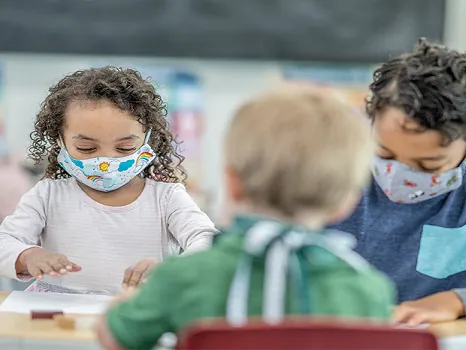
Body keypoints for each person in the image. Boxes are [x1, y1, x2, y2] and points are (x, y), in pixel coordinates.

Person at [97, 88, 395, 350]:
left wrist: (122, 308)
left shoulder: (184, 276)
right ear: (347, 202)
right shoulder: (369, 289)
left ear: (232, 182)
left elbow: (116, 338)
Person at [331, 38, 466, 325]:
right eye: (384, 153)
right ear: (370, 121)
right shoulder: (334, 181)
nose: (400, 174)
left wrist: (459, 302)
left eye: (428, 165)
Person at [0, 67, 218, 294]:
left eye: (125, 148)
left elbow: (208, 240)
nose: (106, 160)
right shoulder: (47, 195)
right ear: (60, 142)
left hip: (133, 313)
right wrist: (27, 256)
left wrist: (173, 269)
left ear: (147, 140)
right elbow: (4, 242)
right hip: (56, 315)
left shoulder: (166, 198)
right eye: (87, 148)